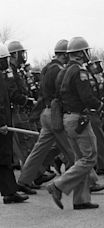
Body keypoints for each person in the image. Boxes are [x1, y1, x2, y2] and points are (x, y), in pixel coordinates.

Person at [46, 37, 104, 210]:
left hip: (68, 118)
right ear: (80, 52)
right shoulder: (79, 71)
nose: (87, 54)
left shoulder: (63, 71)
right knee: (89, 158)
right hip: (79, 118)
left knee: (80, 159)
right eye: (86, 51)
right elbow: (87, 97)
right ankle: (58, 185)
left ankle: (81, 199)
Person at [17, 40, 75, 193]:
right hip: (55, 113)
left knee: (39, 150)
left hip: (47, 112)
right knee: (72, 149)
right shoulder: (58, 70)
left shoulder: (48, 68)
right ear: (65, 55)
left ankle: (25, 180)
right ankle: (89, 180)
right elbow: (63, 93)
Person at [0, 43, 29, 204]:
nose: (7, 61)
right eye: (4, 59)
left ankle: (9, 191)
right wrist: (2, 123)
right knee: (4, 158)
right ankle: (9, 192)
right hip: (2, 125)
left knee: (5, 159)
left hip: (4, 123)